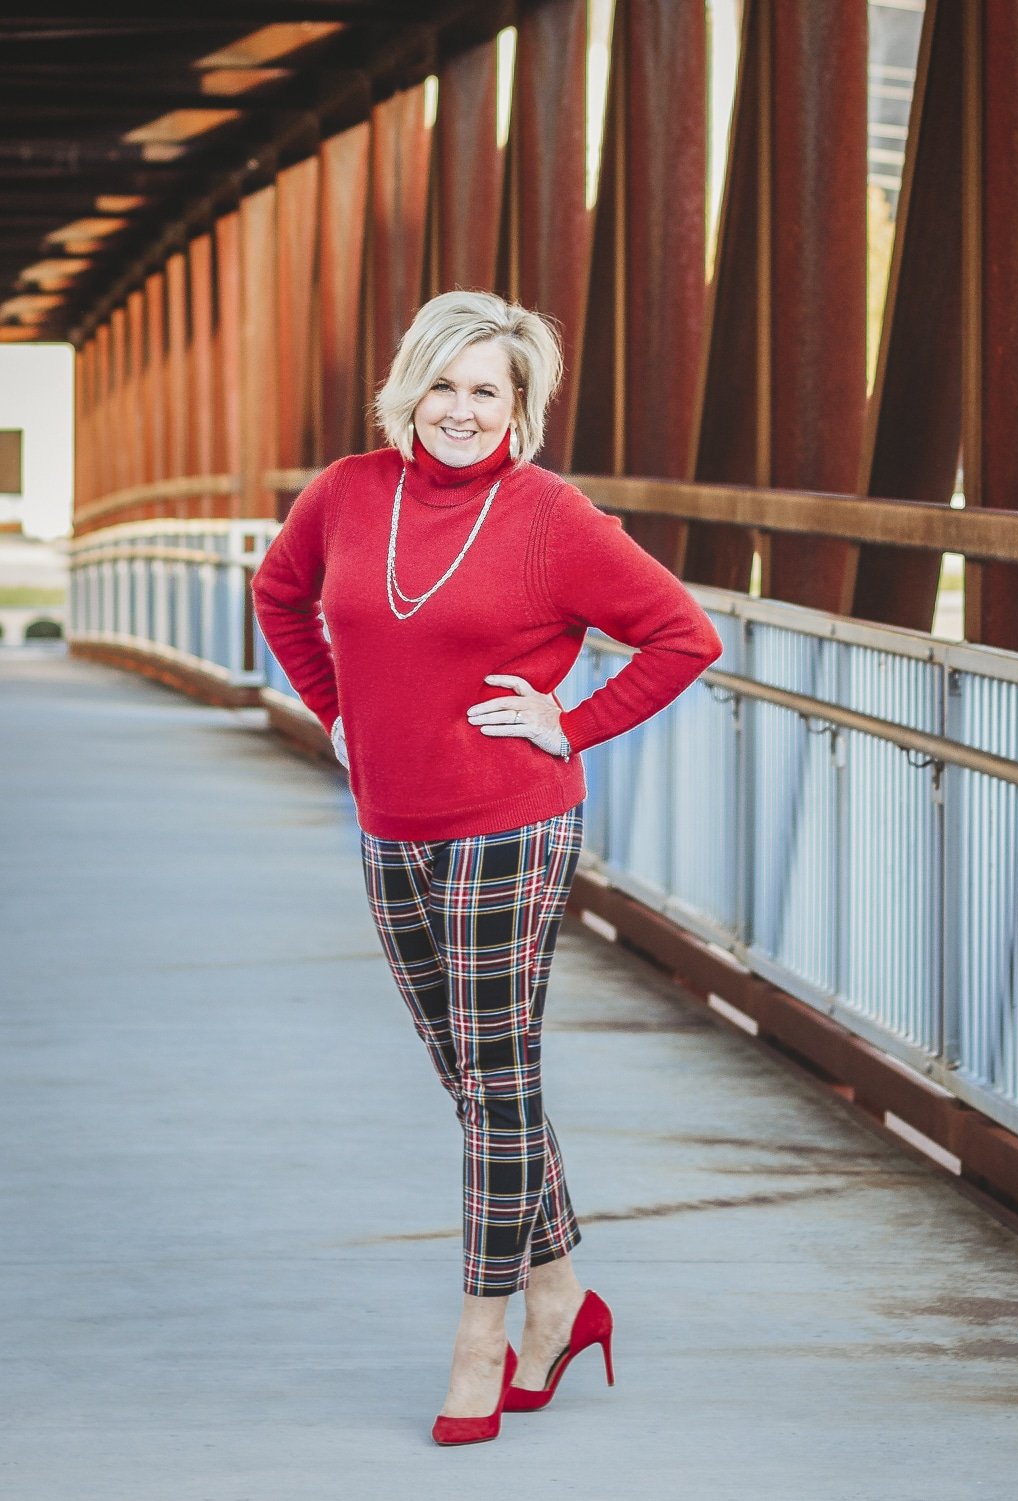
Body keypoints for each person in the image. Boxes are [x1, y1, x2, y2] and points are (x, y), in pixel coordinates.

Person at [251, 289, 723, 1445]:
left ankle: (483, 1336)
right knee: (471, 1074)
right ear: (407, 384)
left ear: (520, 409)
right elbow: (281, 595)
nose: (461, 411)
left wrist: (571, 723)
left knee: (498, 1076)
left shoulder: (549, 516)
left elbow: (684, 635)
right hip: (390, 820)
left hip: (511, 821)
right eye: (444, 384)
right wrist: (336, 715)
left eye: (488, 391)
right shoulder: (349, 493)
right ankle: (566, 1295)